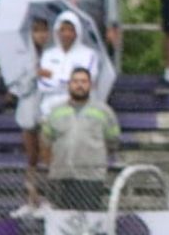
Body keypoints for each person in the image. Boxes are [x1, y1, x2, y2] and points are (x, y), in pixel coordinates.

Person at [43, 67, 120, 212]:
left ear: (91, 85)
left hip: (91, 178)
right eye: (75, 81)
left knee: (89, 221)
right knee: (61, 221)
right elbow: (46, 143)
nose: (79, 85)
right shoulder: (55, 111)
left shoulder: (104, 111)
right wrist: (53, 168)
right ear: (69, 85)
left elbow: (112, 142)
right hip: (61, 177)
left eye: (84, 81)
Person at [11, 16, 52, 214]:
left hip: (47, 109)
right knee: (32, 157)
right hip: (28, 109)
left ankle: (47, 198)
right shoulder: (22, 56)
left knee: (47, 154)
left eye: (44, 30)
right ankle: (31, 198)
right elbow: (18, 86)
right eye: (36, 31)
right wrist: (35, 73)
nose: (41, 35)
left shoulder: (54, 54)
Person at [39, 13, 100, 123]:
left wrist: (54, 77)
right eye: (63, 30)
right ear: (57, 32)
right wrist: (70, 80)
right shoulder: (48, 55)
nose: (66, 34)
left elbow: (86, 81)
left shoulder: (89, 55)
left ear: (77, 32)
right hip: (49, 109)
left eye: (71, 30)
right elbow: (42, 84)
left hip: (79, 110)